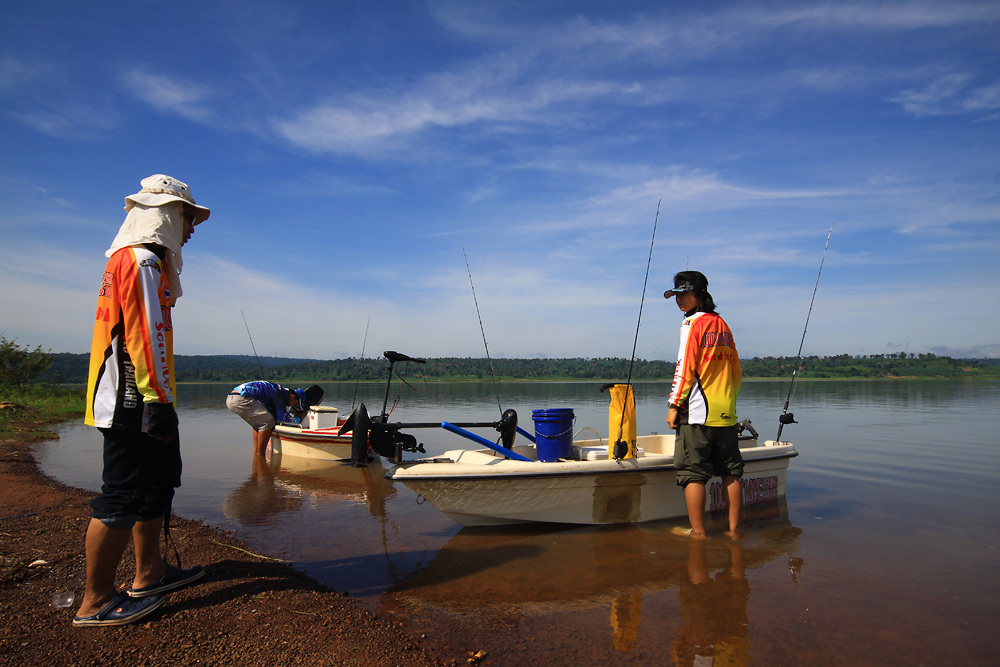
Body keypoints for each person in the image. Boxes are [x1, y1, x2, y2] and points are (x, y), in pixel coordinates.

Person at [75, 175, 210, 627]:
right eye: (188, 217)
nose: (191, 228)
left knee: (158, 483)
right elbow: (144, 334)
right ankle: (95, 601)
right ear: (167, 214)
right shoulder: (140, 262)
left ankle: (149, 573)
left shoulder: (142, 261)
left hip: (149, 395)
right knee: (123, 493)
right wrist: (157, 401)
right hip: (133, 399)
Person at [664, 270, 743, 538]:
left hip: (697, 413)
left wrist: (674, 405)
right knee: (730, 472)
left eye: (684, 294)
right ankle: (734, 532)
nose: (679, 300)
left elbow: (685, 368)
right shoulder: (723, 325)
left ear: (699, 294)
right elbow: (736, 371)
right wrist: (728, 401)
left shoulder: (691, 325)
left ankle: (698, 533)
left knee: (693, 474)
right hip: (726, 414)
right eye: (676, 295)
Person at [226, 381, 324, 456]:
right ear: (293, 396)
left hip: (233, 397)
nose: (294, 405)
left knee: (259, 424)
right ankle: (260, 455)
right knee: (268, 422)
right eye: (296, 403)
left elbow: (275, 413)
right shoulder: (280, 397)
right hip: (240, 399)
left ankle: (256, 455)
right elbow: (286, 421)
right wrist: (299, 418)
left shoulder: (280, 391)